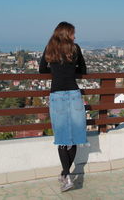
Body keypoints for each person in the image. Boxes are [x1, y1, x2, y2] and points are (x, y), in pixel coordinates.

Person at [39, 21, 87, 192]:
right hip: (74, 94)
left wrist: (56, 72)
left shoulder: (50, 48)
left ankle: (65, 175)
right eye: (73, 33)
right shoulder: (75, 49)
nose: (75, 36)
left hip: (57, 95)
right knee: (74, 137)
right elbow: (83, 69)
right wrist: (70, 71)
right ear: (67, 34)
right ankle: (65, 174)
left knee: (62, 139)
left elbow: (41, 70)